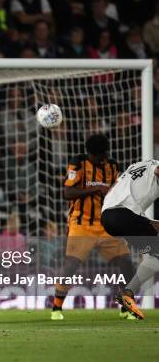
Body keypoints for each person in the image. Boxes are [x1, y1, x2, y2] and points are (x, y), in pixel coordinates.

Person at [52, 134, 134, 320]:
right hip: (81, 225)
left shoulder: (113, 166)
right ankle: (56, 308)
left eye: (104, 155)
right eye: (98, 157)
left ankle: (126, 307)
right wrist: (96, 189)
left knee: (126, 264)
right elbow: (67, 192)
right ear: (89, 153)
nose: (102, 159)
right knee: (71, 265)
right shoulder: (78, 164)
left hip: (107, 225)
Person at [101, 159, 159, 320]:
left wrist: (151, 223)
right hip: (125, 215)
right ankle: (128, 293)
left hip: (108, 217)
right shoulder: (154, 168)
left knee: (153, 257)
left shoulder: (137, 166)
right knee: (156, 257)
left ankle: (128, 296)